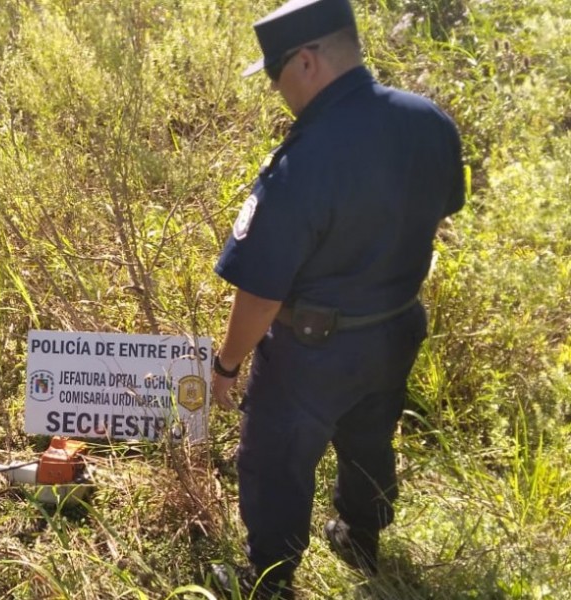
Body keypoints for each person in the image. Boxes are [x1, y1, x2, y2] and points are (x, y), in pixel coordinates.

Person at [208, 0, 465, 597]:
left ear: (306, 61)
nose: (276, 89)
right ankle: (360, 537)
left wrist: (226, 366)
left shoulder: (305, 160)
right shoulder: (430, 121)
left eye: (274, 74)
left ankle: (269, 579)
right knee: (370, 437)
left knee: (276, 460)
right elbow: (440, 214)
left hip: (311, 350)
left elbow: (262, 292)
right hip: (396, 326)